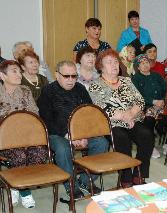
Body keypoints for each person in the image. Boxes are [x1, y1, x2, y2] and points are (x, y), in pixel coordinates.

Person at [37, 61, 109, 199]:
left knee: (102, 143)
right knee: (63, 149)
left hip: (81, 132)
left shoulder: (80, 88)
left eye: (74, 76)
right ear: (57, 75)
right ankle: (71, 185)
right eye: (66, 76)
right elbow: (46, 120)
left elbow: (89, 113)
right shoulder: (47, 91)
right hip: (57, 133)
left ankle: (85, 181)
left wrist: (83, 134)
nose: (71, 80)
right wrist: (69, 135)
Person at [88, 49, 154, 188]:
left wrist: (130, 114)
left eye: (116, 61)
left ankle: (139, 174)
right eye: (109, 62)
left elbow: (140, 101)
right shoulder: (95, 85)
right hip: (112, 123)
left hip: (132, 119)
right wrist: (125, 116)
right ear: (101, 67)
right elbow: (102, 108)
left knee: (147, 135)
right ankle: (126, 178)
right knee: (121, 138)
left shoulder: (126, 81)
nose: (114, 65)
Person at [0, 60, 47, 208]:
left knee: (39, 154)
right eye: (14, 71)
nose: (19, 74)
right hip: (5, 138)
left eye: (19, 71)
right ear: (2, 75)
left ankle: (16, 186)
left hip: (27, 134)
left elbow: (34, 113)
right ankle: (24, 191)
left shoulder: (25, 90)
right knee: (19, 156)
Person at [132, 54, 167, 158]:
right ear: (138, 67)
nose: (145, 65)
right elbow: (137, 96)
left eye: (146, 62)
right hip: (145, 107)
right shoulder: (135, 78)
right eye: (141, 63)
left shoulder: (157, 75)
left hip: (162, 104)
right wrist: (153, 101)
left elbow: (166, 89)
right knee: (149, 120)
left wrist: (163, 101)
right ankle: (150, 145)